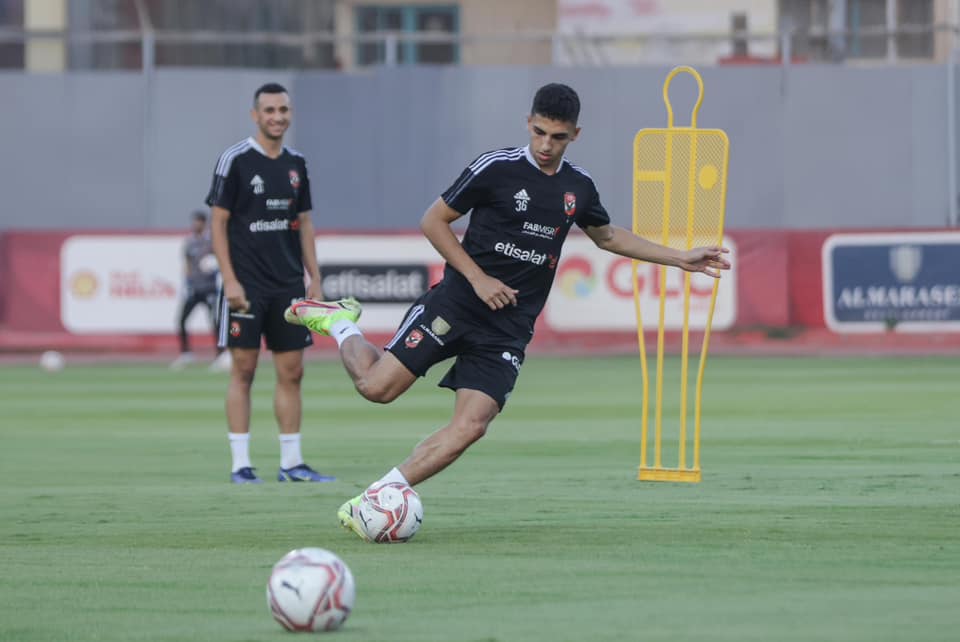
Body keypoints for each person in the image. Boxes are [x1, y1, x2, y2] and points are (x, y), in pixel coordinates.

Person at [285, 83, 730, 536]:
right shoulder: (496, 168)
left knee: (472, 425)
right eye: (539, 132)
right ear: (528, 123)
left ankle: (377, 497)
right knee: (377, 389)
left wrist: (679, 257)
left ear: (575, 134)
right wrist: (478, 278)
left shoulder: (578, 186)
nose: (545, 145)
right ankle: (340, 322)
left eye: (557, 137)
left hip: (508, 329)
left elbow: (608, 236)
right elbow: (433, 221)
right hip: (457, 304)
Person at [206, 82, 333, 484]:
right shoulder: (236, 160)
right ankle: (240, 465)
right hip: (246, 285)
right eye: (270, 110)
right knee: (243, 370)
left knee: (292, 372)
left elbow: (305, 222)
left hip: (287, 285)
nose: (277, 117)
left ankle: (292, 464)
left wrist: (315, 276)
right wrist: (230, 280)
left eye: (283, 110)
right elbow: (218, 223)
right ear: (255, 115)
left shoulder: (297, 164)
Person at [170, 210, 228, 371]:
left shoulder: (211, 242)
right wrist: (186, 283)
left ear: (204, 223)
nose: (195, 225)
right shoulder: (189, 243)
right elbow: (187, 264)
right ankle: (186, 354)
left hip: (209, 289)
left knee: (215, 322)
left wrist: (215, 266)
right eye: (193, 222)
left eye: (198, 222)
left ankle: (221, 355)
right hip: (194, 289)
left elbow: (222, 259)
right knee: (181, 320)